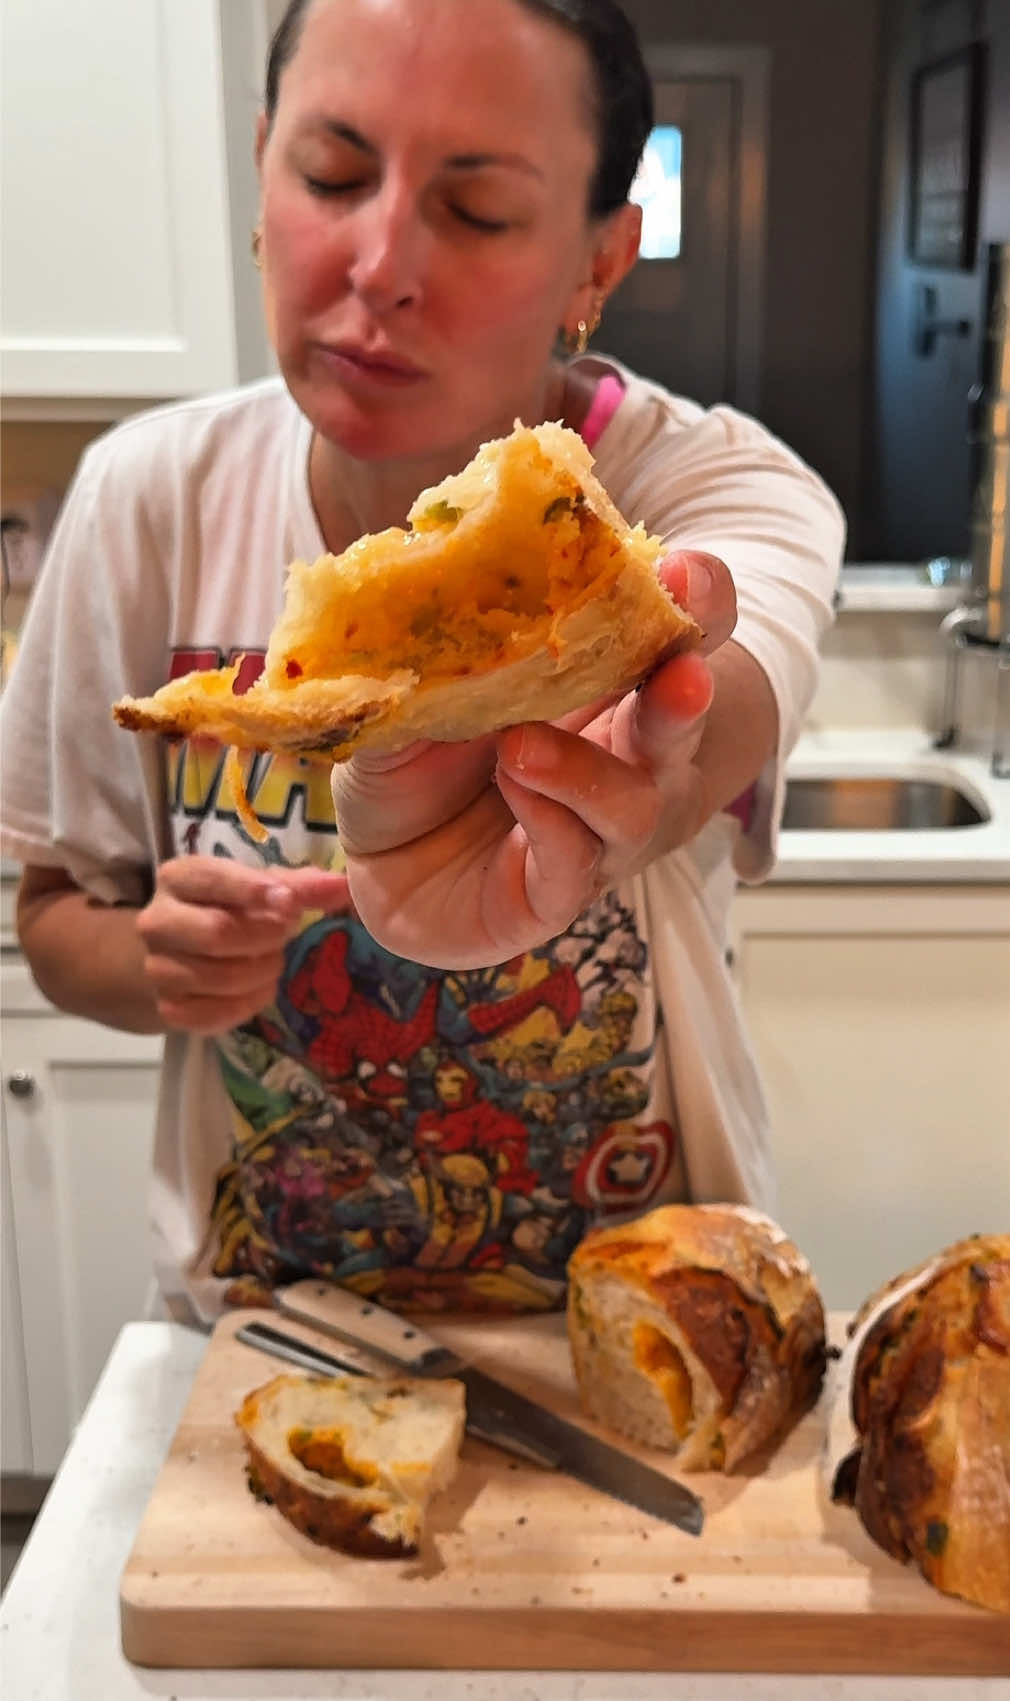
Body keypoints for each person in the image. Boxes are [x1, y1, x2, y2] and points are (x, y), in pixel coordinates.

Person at [0, 0, 843, 1325]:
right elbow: (55, 914)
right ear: (262, 170)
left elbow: (711, 708)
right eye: (332, 174)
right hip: (267, 1327)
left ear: (600, 258)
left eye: (479, 210)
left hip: (645, 1323)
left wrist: (637, 781)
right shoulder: (144, 500)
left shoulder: (718, 490)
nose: (380, 263)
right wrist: (159, 965)